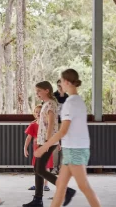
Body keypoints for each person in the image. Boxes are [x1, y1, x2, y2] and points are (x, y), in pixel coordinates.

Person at [35, 69, 101, 207]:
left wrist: (45, 147)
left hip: (75, 150)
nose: (60, 85)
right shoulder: (78, 101)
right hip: (72, 149)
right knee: (61, 187)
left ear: (66, 82)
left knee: (84, 187)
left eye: (61, 82)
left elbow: (62, 131)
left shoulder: (70, 103)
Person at [23, 81, 76, 207]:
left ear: (47, 90)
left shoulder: (51, 104)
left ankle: (66, 190)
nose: (37, 94)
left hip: (47, 141)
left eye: (39, 91)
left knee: (40, 168)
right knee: (38, 169)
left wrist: (47, 142)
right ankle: (37, 199)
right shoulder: (46, 104)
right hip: (43, 140)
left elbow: (52, 123)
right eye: (36, 92)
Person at [24, 105, 51, 192]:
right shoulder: (32, 125)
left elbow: (52, 135)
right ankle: (38, 184)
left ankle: (46, 185)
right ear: (34, 114)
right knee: (37, 166)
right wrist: (25, 148)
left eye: (40, 112)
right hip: (37, 149)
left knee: (46, 166)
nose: (38, 114)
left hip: (46, 148)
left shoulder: (47, 124)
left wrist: (57, 144)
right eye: (36, 112)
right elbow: (28, 138)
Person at [52, 79, 69, 172]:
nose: (61, 88)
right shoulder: (53, 97)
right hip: (55, 123)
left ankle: (62, 167)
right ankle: (54, 167)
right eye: (59, 86)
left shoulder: (68, 98)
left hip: (65, 124)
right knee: (55, 145)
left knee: (64, 145)